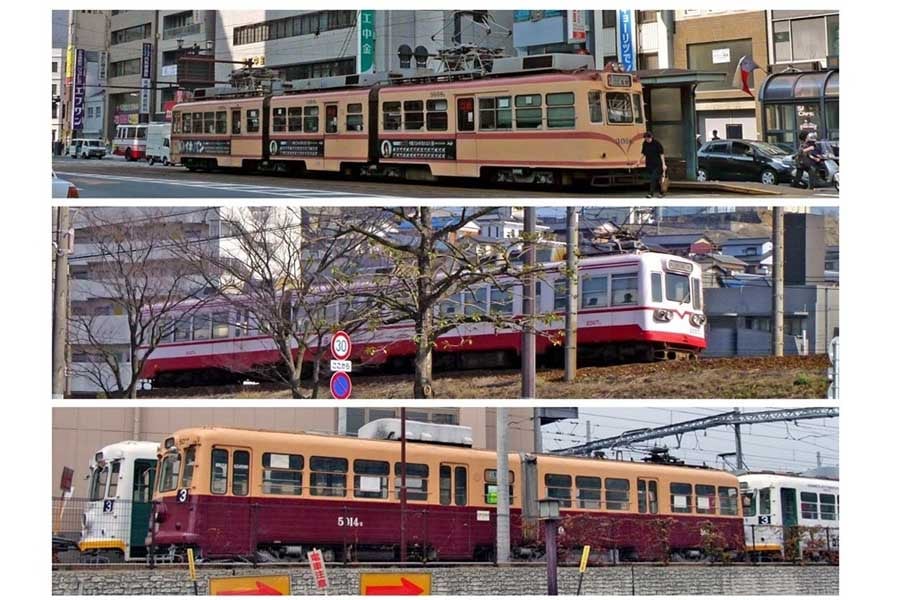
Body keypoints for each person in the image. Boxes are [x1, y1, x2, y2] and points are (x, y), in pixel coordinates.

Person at [641, 131, 666, 198]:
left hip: (658, 164)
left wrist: (664, 164)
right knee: (657, 179)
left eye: (648, 138)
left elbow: (661, 154)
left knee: (653, 178)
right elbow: (644, 153)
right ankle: (662, 192)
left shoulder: (657, 143)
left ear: (651, 137)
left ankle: (651, 193)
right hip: (649, 164)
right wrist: (639, 161)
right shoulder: (645, 144)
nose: (647, 140)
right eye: (646, 139)